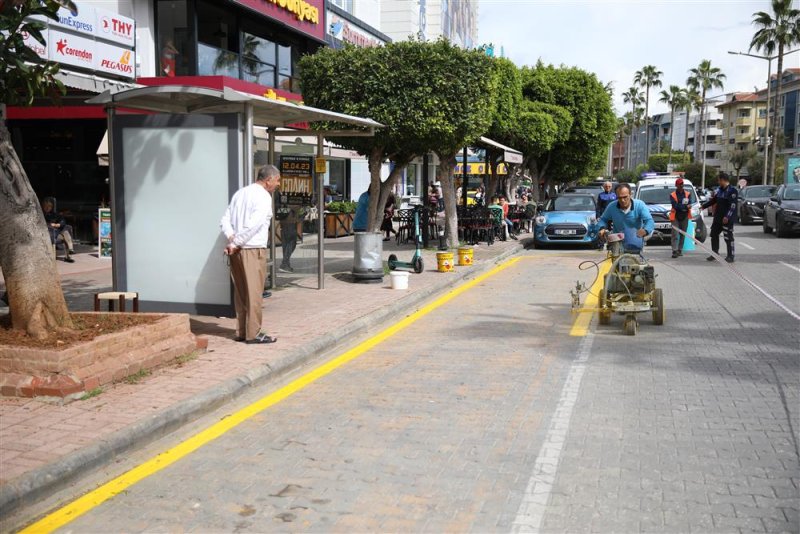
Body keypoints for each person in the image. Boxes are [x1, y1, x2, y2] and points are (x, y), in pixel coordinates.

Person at [220, 165, 281, 344]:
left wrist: (232, 239)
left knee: (241, 293)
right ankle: (253, 333)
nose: (277, 184)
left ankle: (242, 331)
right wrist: (236, 242)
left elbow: (225, 219)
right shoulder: (263, 197)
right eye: (277, 180)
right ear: (268, 180)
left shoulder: (240, 193)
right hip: (252, 249)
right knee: (254, 293)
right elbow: (253, 226)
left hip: (237, 250)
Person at [597, 183, 654, 251]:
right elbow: (603, 219)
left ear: (630, 195)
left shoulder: (640, 205)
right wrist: (601, 228)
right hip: (617, 242)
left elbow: (649, 221)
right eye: (619, 198)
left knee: (635, 260)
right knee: (617, 261)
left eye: (625, 197)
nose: (622, 200)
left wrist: (646, 230)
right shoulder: (611, 206)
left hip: (635, 240)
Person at [701, 172, 737, 263]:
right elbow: (714, 200)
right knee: (713, 234)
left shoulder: (732, 191)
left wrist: (727, 217)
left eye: (719, 180)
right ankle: (715, 254)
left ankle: (730, 256)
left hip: (726, 219)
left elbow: (732, 206)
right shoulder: (720, 190)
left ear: (723, 180)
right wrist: (703, 206)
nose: (718, 182)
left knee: (728, 237)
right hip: (718, 218)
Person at [42, 197, 75, 263]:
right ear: (43, 206)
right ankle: (70, 249)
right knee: (65, 232)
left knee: (66, 228)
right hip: (48, 234)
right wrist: (50, 225)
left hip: (57, 233)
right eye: (46, 206)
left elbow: (62, 221)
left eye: (50, 206)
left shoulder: (54, 214)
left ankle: (70, 253)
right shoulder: (40, 214)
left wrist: (57, 225)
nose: (48, 208)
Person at [669, 178, 692, 258]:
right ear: (676, 185)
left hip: (684, 216)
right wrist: (685, 206)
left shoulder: (688, 194)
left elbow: (689, 203)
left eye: (682, 184)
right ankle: (674, 251)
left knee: (683, 234)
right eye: (679, 184)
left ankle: (680, 250)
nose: (681, 185)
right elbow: (675, 206)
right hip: (675, 216)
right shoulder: (672, 195)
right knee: (675, 234)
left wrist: (685, 206)